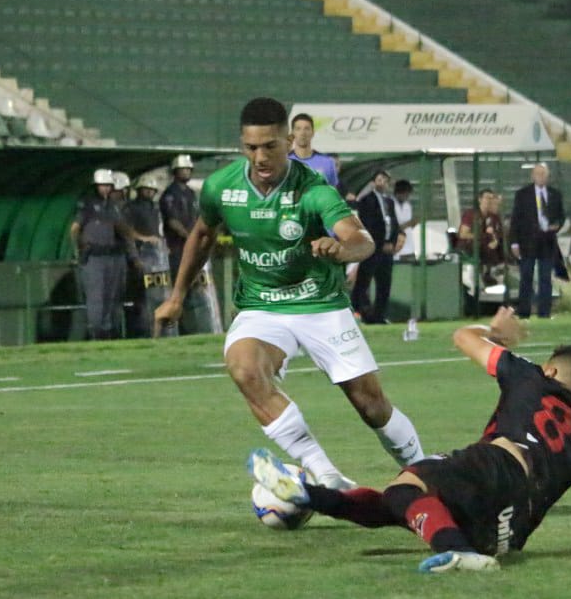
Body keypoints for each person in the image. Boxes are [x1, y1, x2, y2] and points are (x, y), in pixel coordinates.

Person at [249, 306, 571, 573]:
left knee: (406, 492)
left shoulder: (529, 377)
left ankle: (453, 552)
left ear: (554, 369)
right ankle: (307, 494)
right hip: (508, 533)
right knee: (392, 505)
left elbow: (463, 339)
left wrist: (501, 335)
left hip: (496, 469)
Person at [154, 97, 425, 488]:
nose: (260, 157)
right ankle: (327, 477)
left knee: (370, 405)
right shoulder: (220, 187)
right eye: (251, 148)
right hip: (262, 306)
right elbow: (202, 234)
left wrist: (342, 249)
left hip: (320, 304)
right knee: (245, 369)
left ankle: (426, 468)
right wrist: (177, 295)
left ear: (287, 141)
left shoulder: (314, 189)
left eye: (270, 146)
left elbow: (360, 239)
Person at [71, 168, 135, 340]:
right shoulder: (88, 204)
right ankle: (96, 333)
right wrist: (78, 249)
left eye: (108, 185)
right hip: (94, 256)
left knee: (112, 296)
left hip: (111, 255)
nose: (106, 189)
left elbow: (122, 228)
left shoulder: (112, 206)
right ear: (96, 186)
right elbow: (75, 229)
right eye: (102, 185)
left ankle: (109, 333)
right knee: (97, 298)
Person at [509, 163, 565, 318]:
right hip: (527, 241)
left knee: (545, 278)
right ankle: (524, 311)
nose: (541, 177)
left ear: (548, 176)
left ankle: (544, 312)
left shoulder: (555, 194)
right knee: (526, 276)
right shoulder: (522, 194)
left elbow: (561, 216)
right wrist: (514, 242)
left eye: (544, 174)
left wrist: (557, 226)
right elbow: (516, 219)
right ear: (533, 176)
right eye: (538, 174)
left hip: (547, 241)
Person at [352, 170, 405, 324]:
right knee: (364, 281)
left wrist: (393, 242)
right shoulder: (367, 200)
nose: (382, 182)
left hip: (387, 250)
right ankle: (360, 312)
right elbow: (369, 224)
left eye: (385, 180)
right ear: (374, 182)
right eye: (379, 179)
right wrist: (380, 243)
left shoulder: (390, 201)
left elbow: (393, 223)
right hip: (373, 248)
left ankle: (379, 315)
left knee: (384, 284)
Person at [122, 174, 166, 339]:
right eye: (145, 189)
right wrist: (143, 241)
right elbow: (127, 231)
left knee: (158, 296)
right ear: (139, 190)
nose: (148, 192)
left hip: (157, 259)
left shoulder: (155, 208)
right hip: (140, 257)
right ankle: (143, 332)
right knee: (141, 299)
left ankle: (157, 331)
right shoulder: (131, 208)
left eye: (151, 190)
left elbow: (159, 231)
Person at [159, 154, 198, 284]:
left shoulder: (191, 193)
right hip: (176, 246)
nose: (187, 172)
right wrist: (189, 236)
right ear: (175, 171)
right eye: (183, 169)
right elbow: (172, 221)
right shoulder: (170, 193)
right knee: (178, 280)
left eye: (189, 169)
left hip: (191, 245)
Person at [459, 189, 505, 287]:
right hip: (471, 244)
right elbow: (463, 234)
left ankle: (495, 272)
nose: (489, 200)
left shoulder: (492, 216)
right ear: (480, 199)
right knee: (484, 247)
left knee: (500, 245)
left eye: (491, 198)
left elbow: (495, 233)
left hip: (486, 244)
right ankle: (487, 273)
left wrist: (495, 241)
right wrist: (481, 236)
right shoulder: (470, 214)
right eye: (487, 198)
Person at [288, 113, 341, 192]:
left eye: (307, 129)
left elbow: (333, 193)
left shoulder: (327, 162)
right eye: (298, 129)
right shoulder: (283, 162)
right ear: (292, 133)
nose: (303, 133)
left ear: (313, 132)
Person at [392, 179, 419, 261]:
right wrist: (409, 224)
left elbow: (408, 227)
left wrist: (413, 224)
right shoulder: (390, 204)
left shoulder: (408, 206)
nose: (407, 196)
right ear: (398, 192)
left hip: (409, 247)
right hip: (397, 249)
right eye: (405, 194)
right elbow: (393, 228)